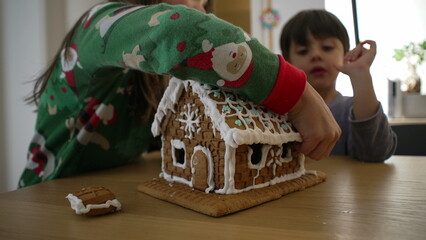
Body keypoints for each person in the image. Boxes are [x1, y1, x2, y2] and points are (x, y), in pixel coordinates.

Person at [19, 0, 340, 188]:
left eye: (205, 5)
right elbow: (182, 31)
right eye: (198, 3)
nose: (205, 11)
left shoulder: (156, 84)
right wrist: (297, 95)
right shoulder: (96, 28)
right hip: (46, 197)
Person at [280, 9, 396, 162]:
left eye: (327, 47)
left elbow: (375, 153)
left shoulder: (353, 109)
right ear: (288, 62)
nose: (316, 55)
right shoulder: (281, 111)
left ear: (345, 54)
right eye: (303, 51)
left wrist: (361, 75)